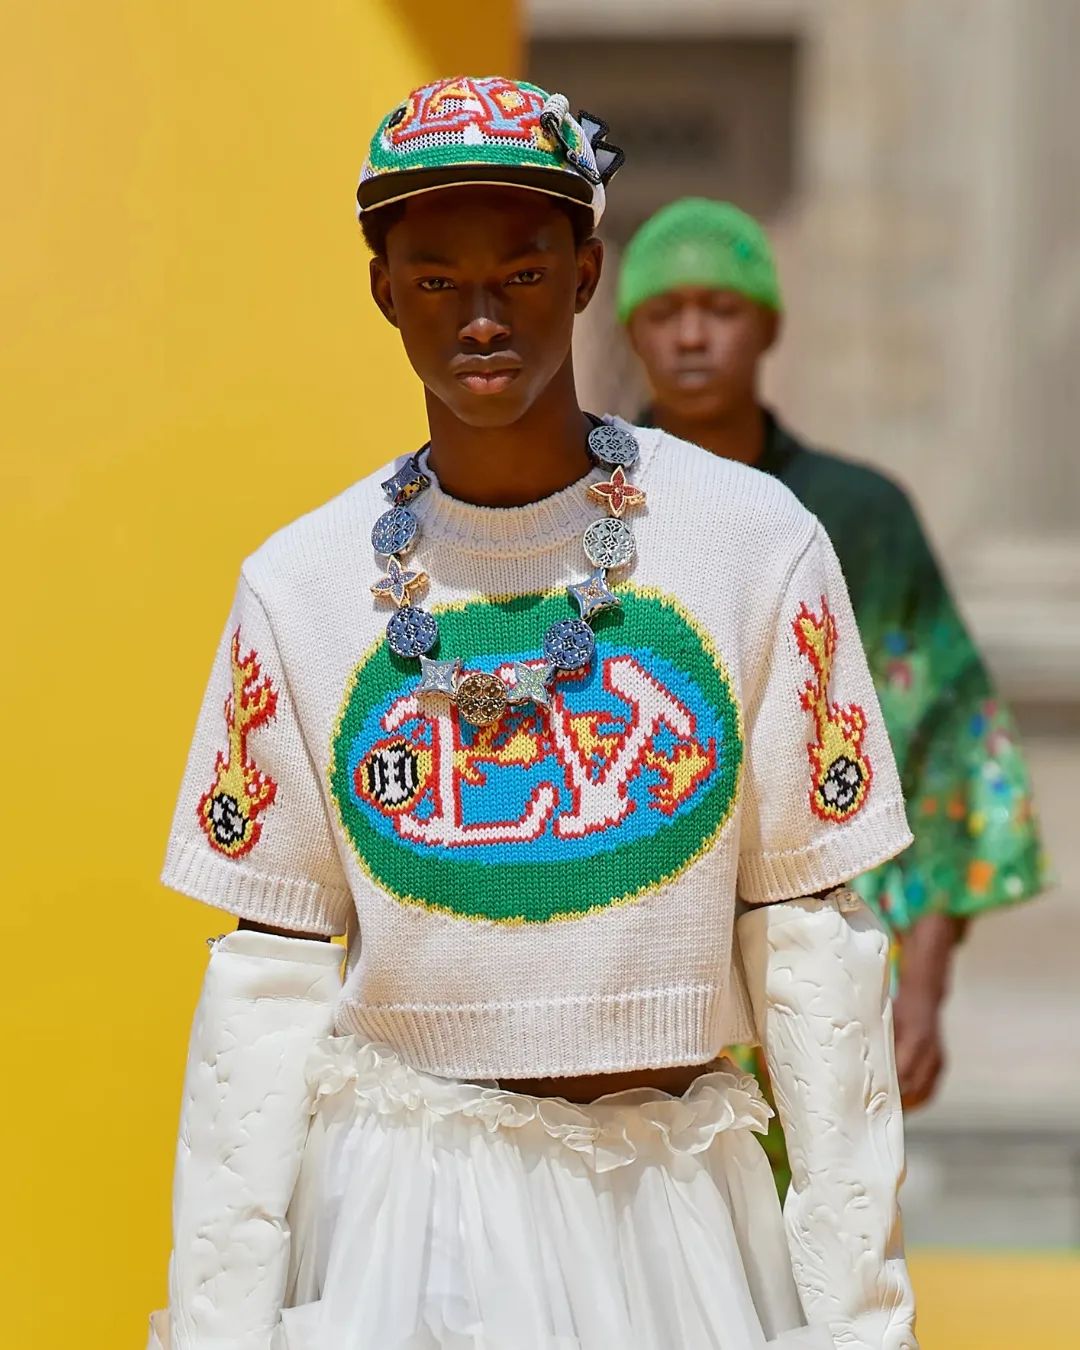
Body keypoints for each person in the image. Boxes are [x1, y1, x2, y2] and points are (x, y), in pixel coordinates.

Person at [149, 80, 919, 1349]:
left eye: (521, 270)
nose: (481, 315)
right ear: (383, 290)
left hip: (668, 1223)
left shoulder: (751, 546)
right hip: (403, 1229)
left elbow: (811, 951)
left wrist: (863, 1322)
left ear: (585, 273)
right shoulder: (300, 587)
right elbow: (266, 982)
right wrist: (216, 1325)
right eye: (436, 279)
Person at [618, 196, 1047, 1191]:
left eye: (722, 308)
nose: (692, 335)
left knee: (822, 1241)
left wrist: (924, 985)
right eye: (665, 311)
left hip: (819, 958)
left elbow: (943, 748)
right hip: (640, 958)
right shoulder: (587, 510)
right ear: (628, 328)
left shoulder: (858, 517)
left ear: (770, 325)